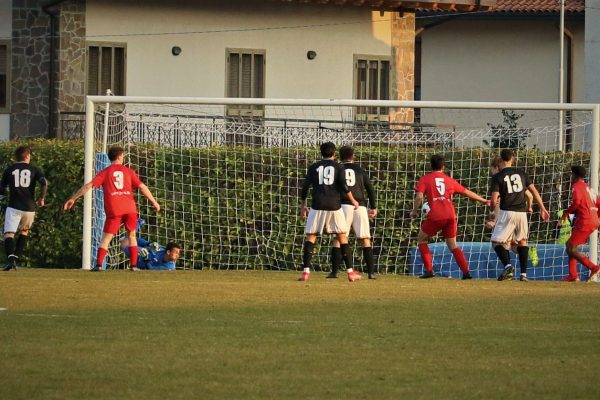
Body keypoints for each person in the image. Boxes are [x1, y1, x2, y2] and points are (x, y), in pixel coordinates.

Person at [63, 146, 161, 271]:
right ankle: (134, 266)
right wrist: (154, 202)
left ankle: (98, 265)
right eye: (123, 155)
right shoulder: (129, 171)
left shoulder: (105, 172)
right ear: (120, 156)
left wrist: (74, 198)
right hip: (130, 208)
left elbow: (89, 186)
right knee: (132, 236)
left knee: (106, 238)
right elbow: (142, 187)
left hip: (114, 209)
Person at [409, 154, 489, 280]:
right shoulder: (449, 180)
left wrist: (414, 211)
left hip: (436, 214)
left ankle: (429, 270)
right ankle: (466, 273)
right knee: (453, 245)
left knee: (421, 239)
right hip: (450, 215)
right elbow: (467, 192)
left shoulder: (425, 179)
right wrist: (484, 201)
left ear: (431, 166)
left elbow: (419, 197)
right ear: (443, 167)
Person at [299, 142, 361, 282]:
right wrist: (353, 201)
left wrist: (303, 206)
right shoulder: (339, 166)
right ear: (334, 154)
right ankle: (350, 273)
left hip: (317, 204)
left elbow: (305, 187)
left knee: (311, 236)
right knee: (342, 237)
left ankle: (305, 272)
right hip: (334, 205)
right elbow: (344, 186)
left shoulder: (314, 167)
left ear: (321, 153)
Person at [490, 149, 549, 282]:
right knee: (522, 241)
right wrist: (543, 209)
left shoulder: (498, 177)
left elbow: (494, 200)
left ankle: (508, 266)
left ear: (500, 160)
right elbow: (533, 192)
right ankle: (523, 275)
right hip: (522, 214)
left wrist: (492, 210)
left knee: (495, 242)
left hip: (507, 212)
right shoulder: (522, 173)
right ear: (512, 159)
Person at [330, 146, 378, 279]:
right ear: (353, 156)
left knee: (339, 238)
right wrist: (373, 207)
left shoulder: (338, 169)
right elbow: (370, 189)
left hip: (344, 205)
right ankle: (371, 273)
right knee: (365, 239)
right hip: (360, 206)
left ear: (339, 156)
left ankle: (334, 272)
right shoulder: (360, 170)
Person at [1, 145, 47, 271]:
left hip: (14, 206)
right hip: (29, 208)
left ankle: (10, 260)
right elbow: (44, 182)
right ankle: (15, 259)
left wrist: (6, 191)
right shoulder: (34, 169)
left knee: (9, 234)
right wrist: (41, 198)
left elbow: (2, 189)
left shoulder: (9, 170)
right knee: (24, 232)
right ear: (27, 156)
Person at [558, 166, 600, 282]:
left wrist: (565, 214)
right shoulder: (589, 188)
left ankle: (594, 267)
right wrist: (596, 217)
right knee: (570, 245)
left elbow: (576, 202)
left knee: (571, 248)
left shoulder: (576, 186)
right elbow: (599, 203)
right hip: (592, 219)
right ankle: (573, 275)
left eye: (572, 174)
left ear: (574, 175)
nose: (571, 177)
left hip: (585, 220)